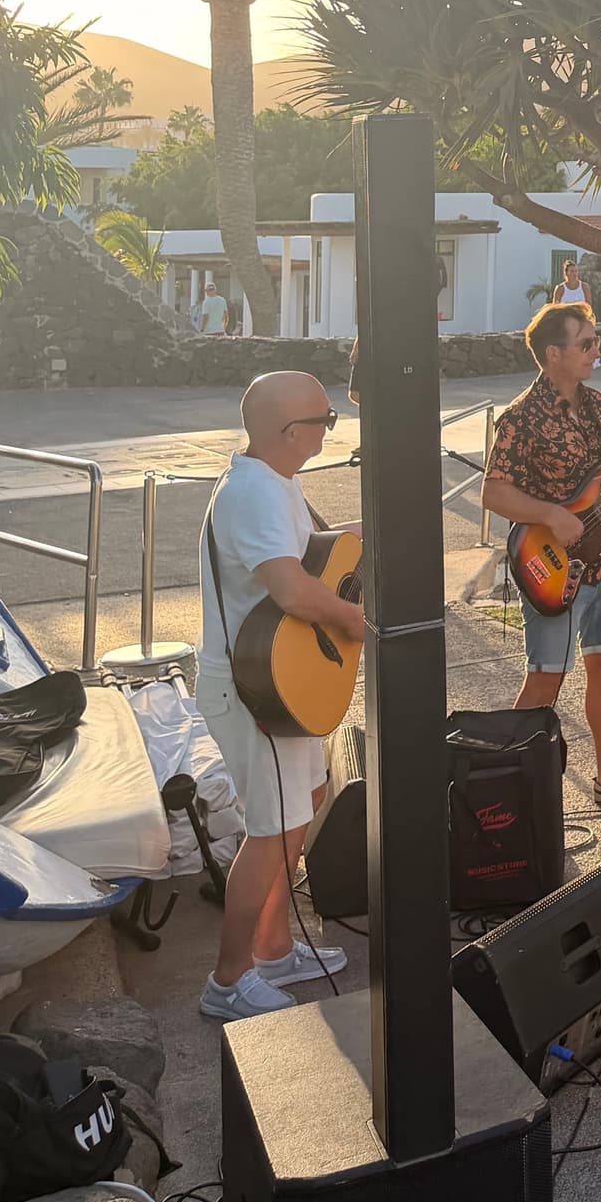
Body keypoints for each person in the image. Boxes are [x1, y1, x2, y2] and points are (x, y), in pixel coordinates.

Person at [196, 372, 364, 1020]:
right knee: (270, 830)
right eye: (323, 419)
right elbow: (293, 592)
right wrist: (354, 621)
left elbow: (304, 560)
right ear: (290, 432)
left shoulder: (274, 483)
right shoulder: (257, 495)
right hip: (253, 688)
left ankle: (273, 947)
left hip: (279, 681)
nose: (329, 426)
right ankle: (228, 981)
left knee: (304, 805)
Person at [482, 302, 601, 814]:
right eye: (585, 343)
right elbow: (494, 493)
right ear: (552, 355)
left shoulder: (600, 407)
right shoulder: (521, 419)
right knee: (545, 678)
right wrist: (550, 514)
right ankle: (504, 792)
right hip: (552, 570)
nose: (595, 350)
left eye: (596, 341)